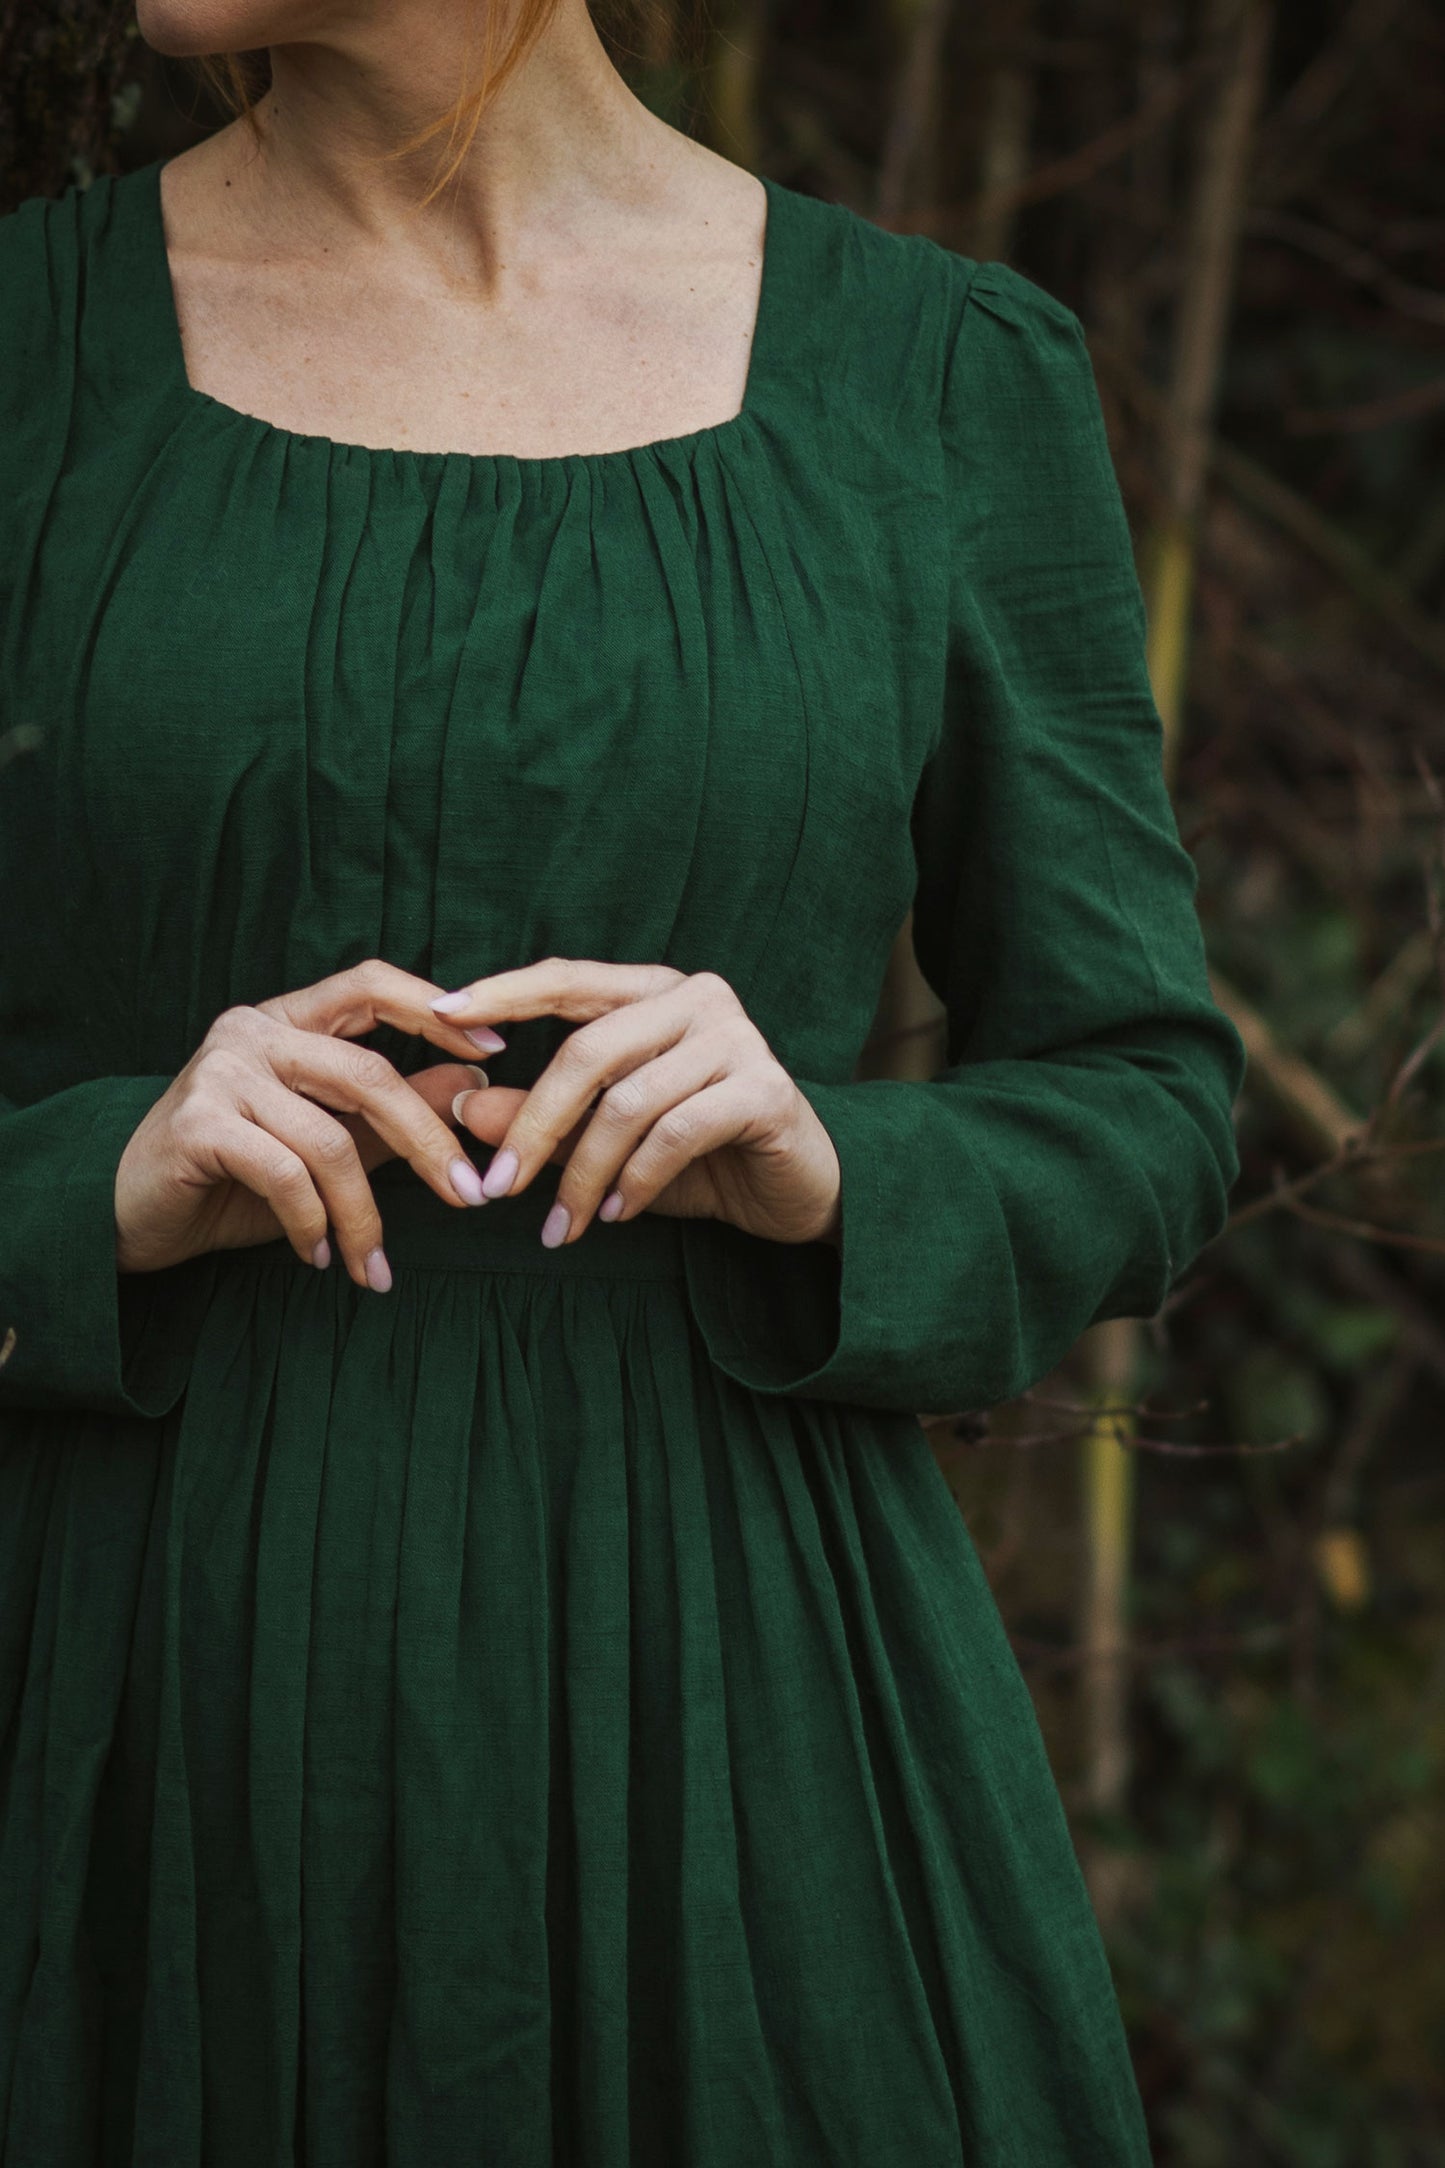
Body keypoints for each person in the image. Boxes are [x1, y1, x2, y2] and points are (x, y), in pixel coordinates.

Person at [0, 0, 1246, 2159]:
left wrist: (834, 1163)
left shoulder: (941, 377)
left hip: (745, 1720)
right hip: (137, 1697)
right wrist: (82, 1177)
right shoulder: (20, 360)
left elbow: (1144, 1095)